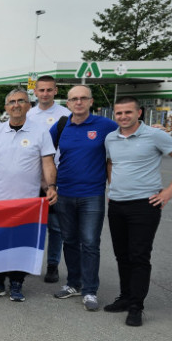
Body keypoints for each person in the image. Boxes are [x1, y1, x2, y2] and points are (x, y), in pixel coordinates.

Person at [104, 96, 172, 327]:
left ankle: (136, 306)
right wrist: (113, 186)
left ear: (139, 113)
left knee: (139, 256)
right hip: (116, 204)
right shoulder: (110, 138)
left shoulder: (155, 135)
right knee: (121, 255)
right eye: (119, 113)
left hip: (144, 206)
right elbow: (111, 163)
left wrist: (169, 191)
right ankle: (124, 298)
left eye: (128, 112)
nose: (123, 117)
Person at [0, 88, 58, 302]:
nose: (16, 105)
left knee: (21, 244)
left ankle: (16, 283)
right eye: (11, 102)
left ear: (28, 106)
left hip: (27, 202)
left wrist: (51, 186)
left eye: (21, 101)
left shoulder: (41, 132)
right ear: (6, 107)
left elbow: (48, 163)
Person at [49, 85, 118, 311]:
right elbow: (44, 154)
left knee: (89, 243)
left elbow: (129, 132)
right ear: (67, 103)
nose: (78, 102)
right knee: (69, 241)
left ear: (91, 101)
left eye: (83, 98)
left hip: (92, 195)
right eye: (73, 99)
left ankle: (90, 290)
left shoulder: (105, 125)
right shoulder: (60, 126)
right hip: (64, 193)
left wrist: (152, 128)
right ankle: (73, 284)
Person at [28, 76, 71, 283]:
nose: (45, 94)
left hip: (56, 178)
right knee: (29, 225)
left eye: (49, 90)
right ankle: (26, 263)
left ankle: (52, 265)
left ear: (56, 91)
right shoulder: (27, 114)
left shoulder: (66, 115)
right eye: (41, 90)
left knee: (55, 226)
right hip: (30, 178)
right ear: (35, 92)